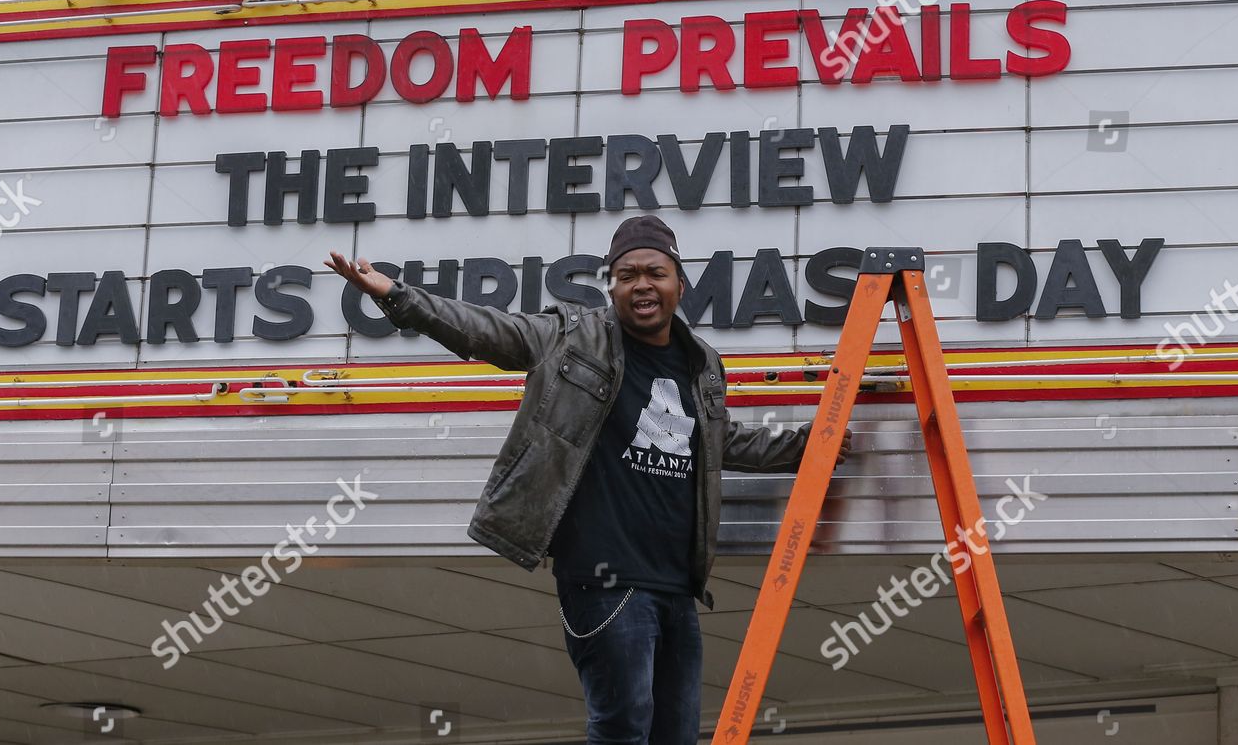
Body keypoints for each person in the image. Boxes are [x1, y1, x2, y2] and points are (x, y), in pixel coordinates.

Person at [326, 215, 851, 745]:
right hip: (606, 583)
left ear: (679, 284)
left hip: (677, 587)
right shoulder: (572, 337)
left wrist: (808, 446)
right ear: (613, 287)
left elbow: (718, 441)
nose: (641, 283)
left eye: (655, 272)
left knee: (676, 736)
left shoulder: (701, 363)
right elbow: (488, 330)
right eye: (627, 274)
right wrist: (398, 297)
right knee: (623, 727)